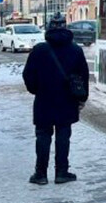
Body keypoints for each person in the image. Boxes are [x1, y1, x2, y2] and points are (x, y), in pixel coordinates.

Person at [23, 13, 89, 185]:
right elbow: (83, 76)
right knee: (63, 135)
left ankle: (41, 173)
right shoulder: (75, 50)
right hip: (67, 100)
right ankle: (61, 172)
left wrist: (36, 89)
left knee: (43, 135)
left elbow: (28, 75)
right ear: (66, 27)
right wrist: (82, 98)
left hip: (44, 99)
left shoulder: (39, 50)